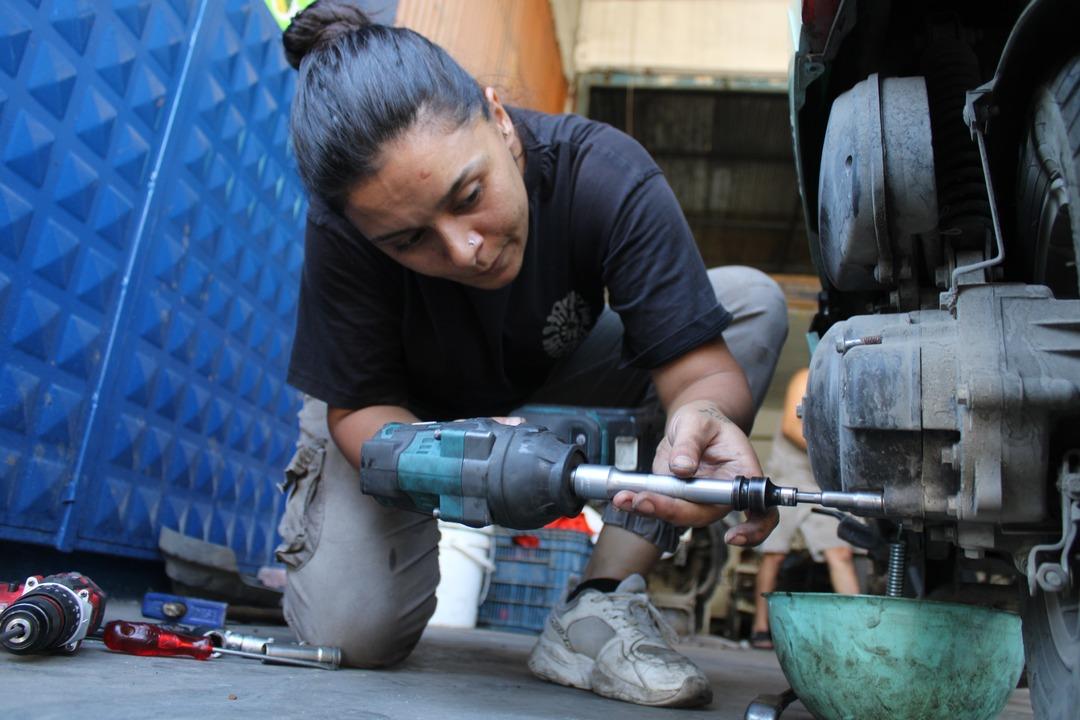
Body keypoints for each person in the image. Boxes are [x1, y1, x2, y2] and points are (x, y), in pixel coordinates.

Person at [275, 0, 787, 708]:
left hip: (546, 371)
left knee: (751, 303)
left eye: (469, 194)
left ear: (500, 120)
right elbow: (360, 409)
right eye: (408, 241)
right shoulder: (344, 229)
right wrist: (461, 462)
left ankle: (597, 603)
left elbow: (699, 368)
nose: (465, 250)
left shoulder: (603, 172)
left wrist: (702, 415)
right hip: (398, 410)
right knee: (352, 636)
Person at [749, 368, 859, 650]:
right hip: (789, 475)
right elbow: (790, 426)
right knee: (774, 554)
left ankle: (857, 629)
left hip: (823, 479)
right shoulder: (806, 377)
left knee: (840, 552)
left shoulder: (852, 381)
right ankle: (761, 627)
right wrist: (834, 450)